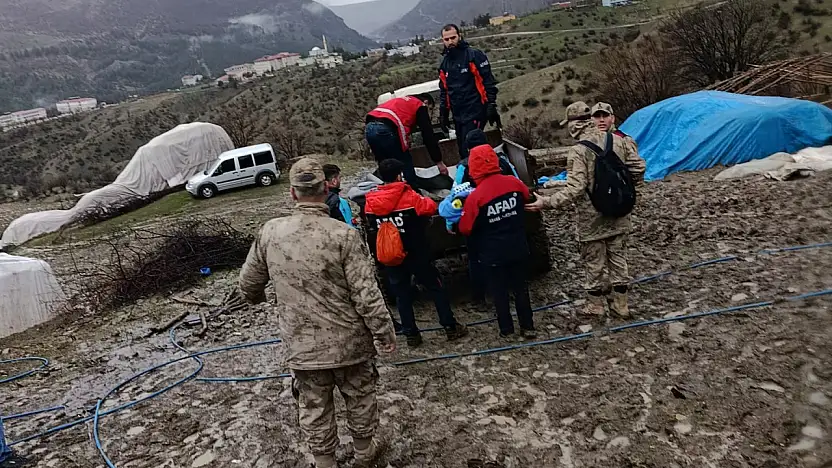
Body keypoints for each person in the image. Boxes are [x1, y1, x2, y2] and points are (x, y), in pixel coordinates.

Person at [238, 158, 396, 468]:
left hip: (303, 346)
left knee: (313, 406)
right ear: (326, 188)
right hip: (350, 342)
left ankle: (325, 463)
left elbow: (248, 283)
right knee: (360, 396)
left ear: (293, 193)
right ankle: (364, 451)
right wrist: (383, 332)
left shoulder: (271, 232)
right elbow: (366, 294)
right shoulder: (343, 236)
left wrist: (255, 298)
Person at [526, 102, 645, 318]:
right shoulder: (618, 140)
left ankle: (596, 305)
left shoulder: (578, 151)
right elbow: (639, 167)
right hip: (619, 211)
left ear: (574, 126)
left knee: (594, 262)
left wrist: (547, 202)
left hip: (592, 219)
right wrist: (625, 189)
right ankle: (622, 305)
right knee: (618, 257)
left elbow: (575, 188)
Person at [364, 158, 468, 347]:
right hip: (416, 253)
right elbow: (429, 207)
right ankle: (450, 327)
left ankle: (411, 335)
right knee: (435, 287)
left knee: (402, 295)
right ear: (398, 176)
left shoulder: (371, 201)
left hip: (392, 256)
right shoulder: (409, 196)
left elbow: (371, 224)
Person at [458, 145, 535, 339]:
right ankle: (528, 327)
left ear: (473, 167)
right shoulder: (514, 183)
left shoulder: (475, 197)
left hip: (492, 253)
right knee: (520, 289)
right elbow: (527, 197)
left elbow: (465, 228)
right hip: (518, 246)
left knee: (499, 292)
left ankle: (506, 330)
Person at [438, 24, 500, 160]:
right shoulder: (444, 64)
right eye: (446, 39)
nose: (450, 42)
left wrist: (491, 104)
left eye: (453, 38)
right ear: (443, 40)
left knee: (472, 148)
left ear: (459, 36)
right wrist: (443, 112)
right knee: (462, 150)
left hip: (475, 109)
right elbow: (444, 90)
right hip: (458, 114)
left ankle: (486, 174)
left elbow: (487, 81)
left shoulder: (473, 55)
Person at [365, 94, 447, 193]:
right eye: (430, 109)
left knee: (385, 165)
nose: (429, 114)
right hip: (386, 128)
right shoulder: (420, 105)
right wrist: (438, 161)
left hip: (369, 127)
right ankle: (413, 192)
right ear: (426, 102)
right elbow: (428, 135)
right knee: (404, 160)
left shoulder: (402, 101)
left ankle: (389, 193)